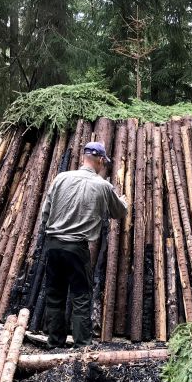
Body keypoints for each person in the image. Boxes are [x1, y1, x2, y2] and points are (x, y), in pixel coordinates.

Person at [40, 141, 127, 349]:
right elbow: (119, 213)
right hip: (76, 248)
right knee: (80, 297)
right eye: (103, 163)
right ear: (99, 159)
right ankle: (82, 347)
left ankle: (54, 344)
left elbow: (45, 213)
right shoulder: (102, 185)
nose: (102, 166)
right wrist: (123, 200)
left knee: (54, 295)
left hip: (52, 246)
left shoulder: (61, 178)